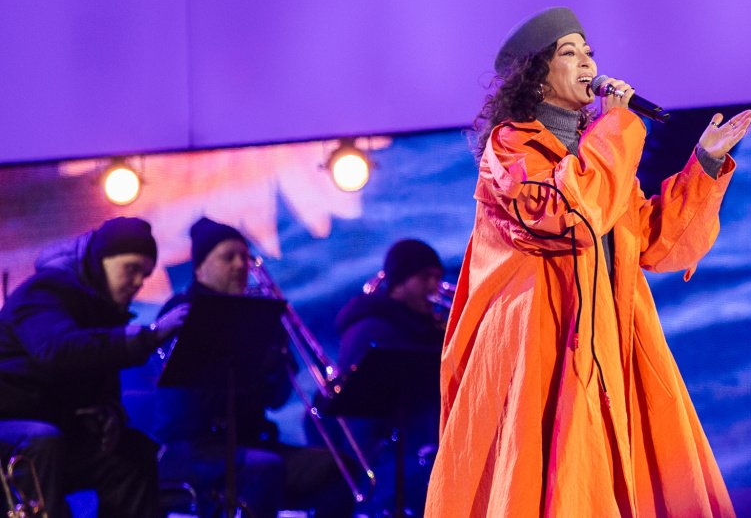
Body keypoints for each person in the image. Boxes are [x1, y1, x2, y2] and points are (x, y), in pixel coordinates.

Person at [425, 8, 751, 517]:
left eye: (589, 52)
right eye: (569, 53)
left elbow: (655, 242)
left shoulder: (599, 152)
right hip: (545, 348)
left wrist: (704, 163)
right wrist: (617, 126)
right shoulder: (511, 147)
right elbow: (569, 214)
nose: (587, 63)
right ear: (537, 77)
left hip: (610, 343)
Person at [154, 216, 354, 518]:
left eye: (244, 257)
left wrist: (278, 358)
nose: (240, 265)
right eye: (228, 257)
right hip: (193, 447)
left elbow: (276, 400)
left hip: (248, 442)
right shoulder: (182, 312)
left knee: (339, 470)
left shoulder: (254, 314)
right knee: (264, 469)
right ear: (200, 268)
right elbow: (185, 399)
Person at [0, 217, 187, 518]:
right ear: (100, 261)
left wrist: (109, 412)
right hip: (10, 422)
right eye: (131, 269)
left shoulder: (102, 311)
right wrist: (150, 336)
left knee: (133, 453)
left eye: (145, 274)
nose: (139, 282)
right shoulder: (43, 293)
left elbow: (94, 381)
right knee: (41, 440)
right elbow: (58, 351)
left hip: (54, 426)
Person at [315, 239, 447, 516]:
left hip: (416, 444)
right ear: (399, 282)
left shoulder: (426, 327)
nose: (434, 287)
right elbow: (360, 412)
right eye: (425, 278)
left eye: (437, 278)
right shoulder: (369, 328)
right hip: (380, 456)